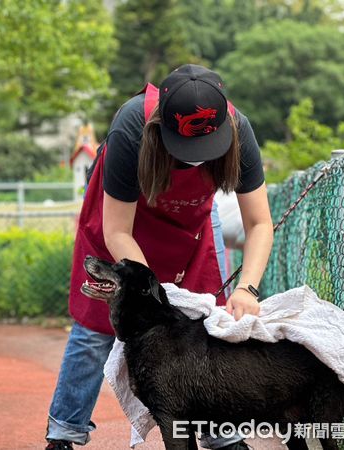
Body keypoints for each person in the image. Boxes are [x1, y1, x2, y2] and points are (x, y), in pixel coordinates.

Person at [45, 64, 274, 450]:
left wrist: (248, 289)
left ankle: (221, 434)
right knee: (97, 328)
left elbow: (259, 223)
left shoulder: (240, 130)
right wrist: (151, 294)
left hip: (191, 224)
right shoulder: (131, 127)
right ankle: (64, 433)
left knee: (209, 322)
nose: (196, 161)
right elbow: (117, 229)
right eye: (186, 152)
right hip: (119, 225)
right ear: (160, 130)